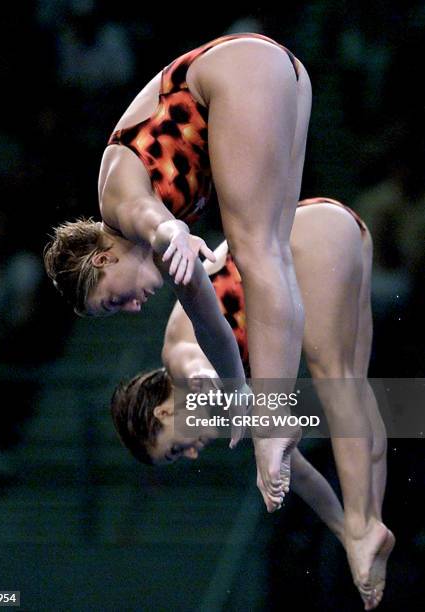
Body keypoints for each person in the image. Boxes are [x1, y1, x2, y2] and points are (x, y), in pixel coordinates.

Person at [44, 32, 312, 512]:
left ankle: (275, 423)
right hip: (283, 74)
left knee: (259, 254)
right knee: (272, 254)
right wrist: (238, 397)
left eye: (113, 300)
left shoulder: (119, 205)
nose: (131, 308)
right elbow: (212, 328)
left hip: (238, 72)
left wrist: (171, 233)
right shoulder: (163, 253)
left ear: (102, 259)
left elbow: (152, 219)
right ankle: (274, 418)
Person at [110, 199, 394, 611]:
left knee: (335, 376)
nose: (191, 454)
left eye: (175, 449)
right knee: (357, 395)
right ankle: (367, 529)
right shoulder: (234, 411)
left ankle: (364, 526)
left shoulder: (179, 359)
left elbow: (196, 366)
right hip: (338, 234)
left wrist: (215, 390)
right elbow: (307, 481)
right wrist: (343, 538)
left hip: (307, 236)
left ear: (164, 412)